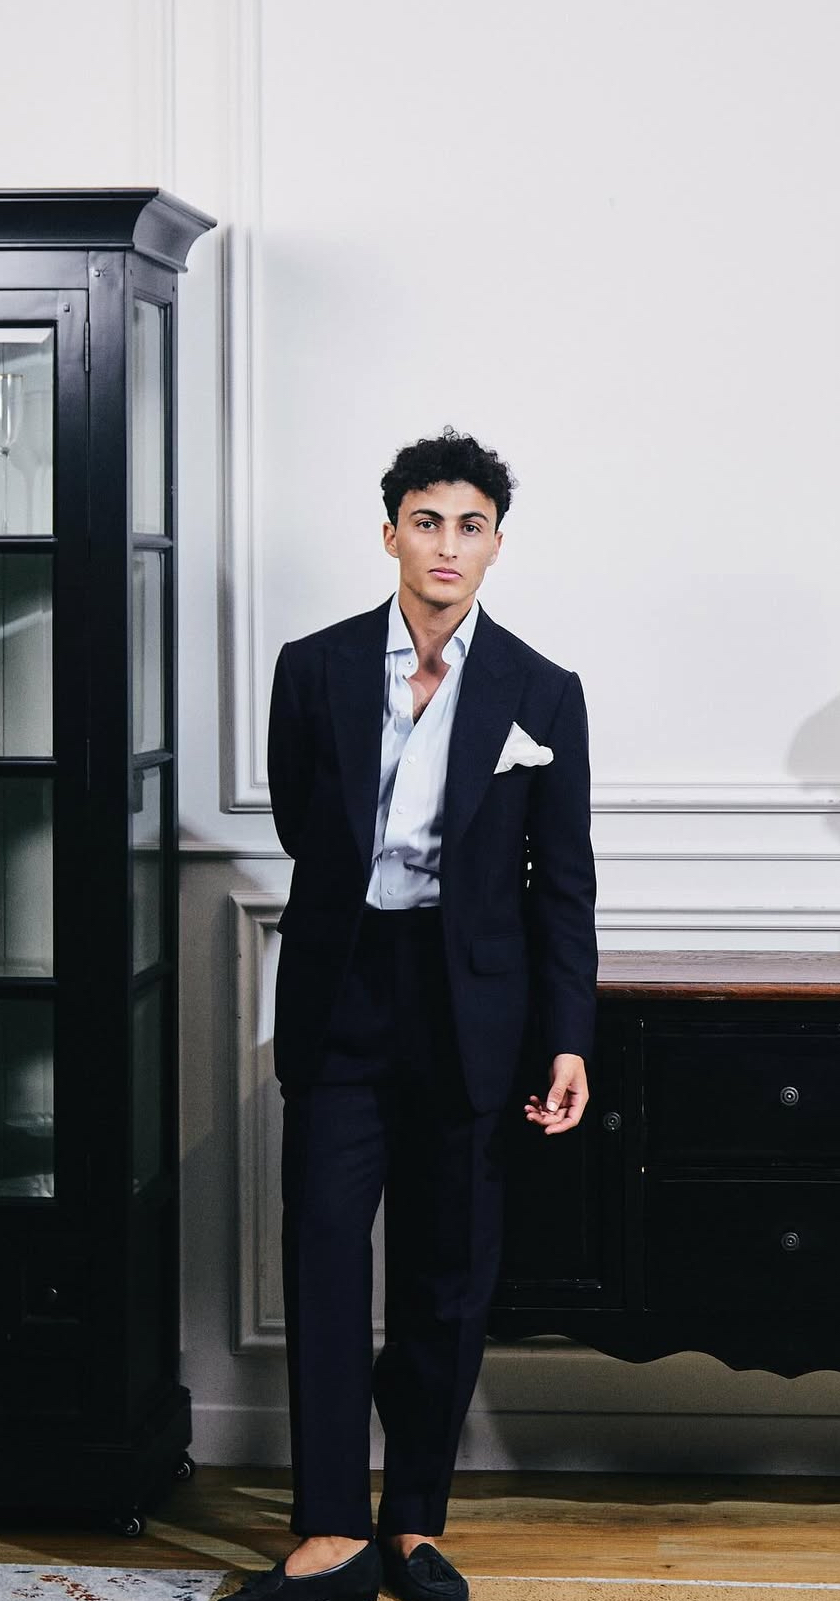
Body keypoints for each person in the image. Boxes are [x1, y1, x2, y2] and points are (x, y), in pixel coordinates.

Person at [229, 429, 598, 1601]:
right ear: (390, 532)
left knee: (450, 1273)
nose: (447, 544)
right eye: (426, 521)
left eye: (469, 524)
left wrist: (568, 1035)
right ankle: (330, 1526)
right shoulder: (314, 667)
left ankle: (413, 1522)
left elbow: (564, 884)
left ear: (496, 543)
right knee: (326, 1252)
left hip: (475, 1009)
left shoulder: (542, 689)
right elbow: (303, 823)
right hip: (344, 989)